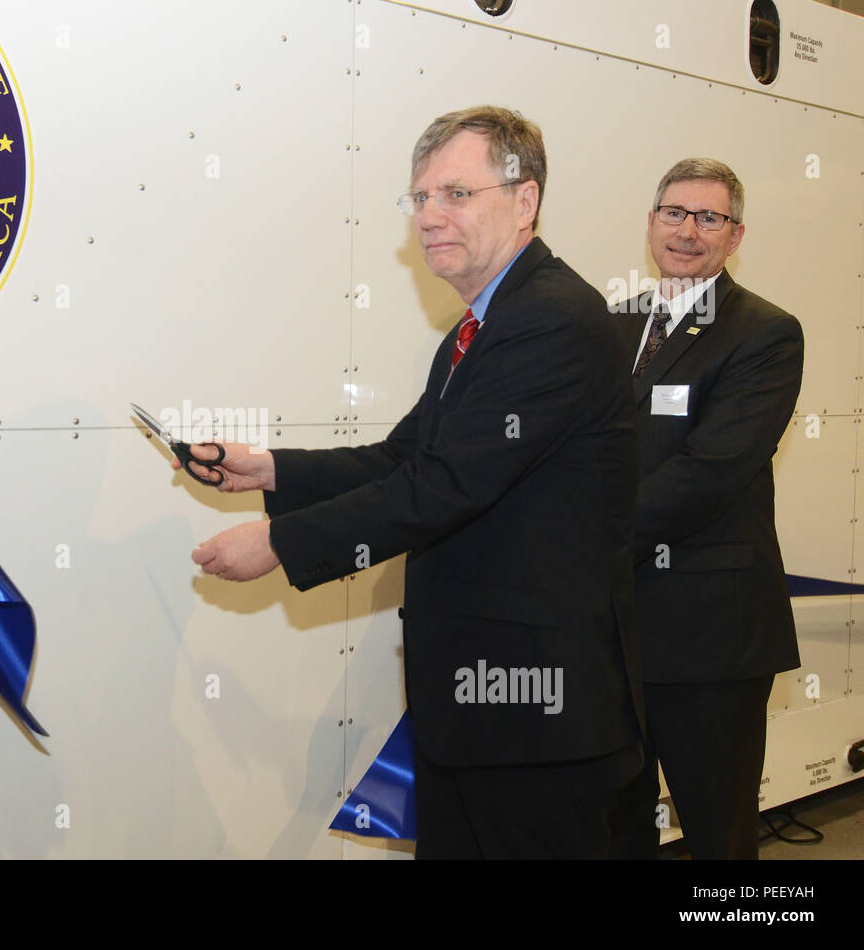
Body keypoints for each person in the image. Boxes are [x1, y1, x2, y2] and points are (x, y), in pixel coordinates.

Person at [184, 106, 644, 858]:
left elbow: (444, 485)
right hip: (477, 713)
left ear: (524, 200)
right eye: (419, 198)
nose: (429, 216)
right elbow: (406, 459)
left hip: (534, 719)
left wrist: (278, 541)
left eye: (455, 195)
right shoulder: (481, 327)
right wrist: (268, 470)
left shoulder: (550, 320)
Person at [609, 158, 803, 859]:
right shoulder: (613, 323)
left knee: (719, 836)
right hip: (614, 634)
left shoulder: (766, 334)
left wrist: (583, 536)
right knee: (614, 828)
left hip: (710, 640)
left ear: (736, 234)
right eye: (674, 213)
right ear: (651, 223)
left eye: (709, 217)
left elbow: (709, 473)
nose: (688, 231)